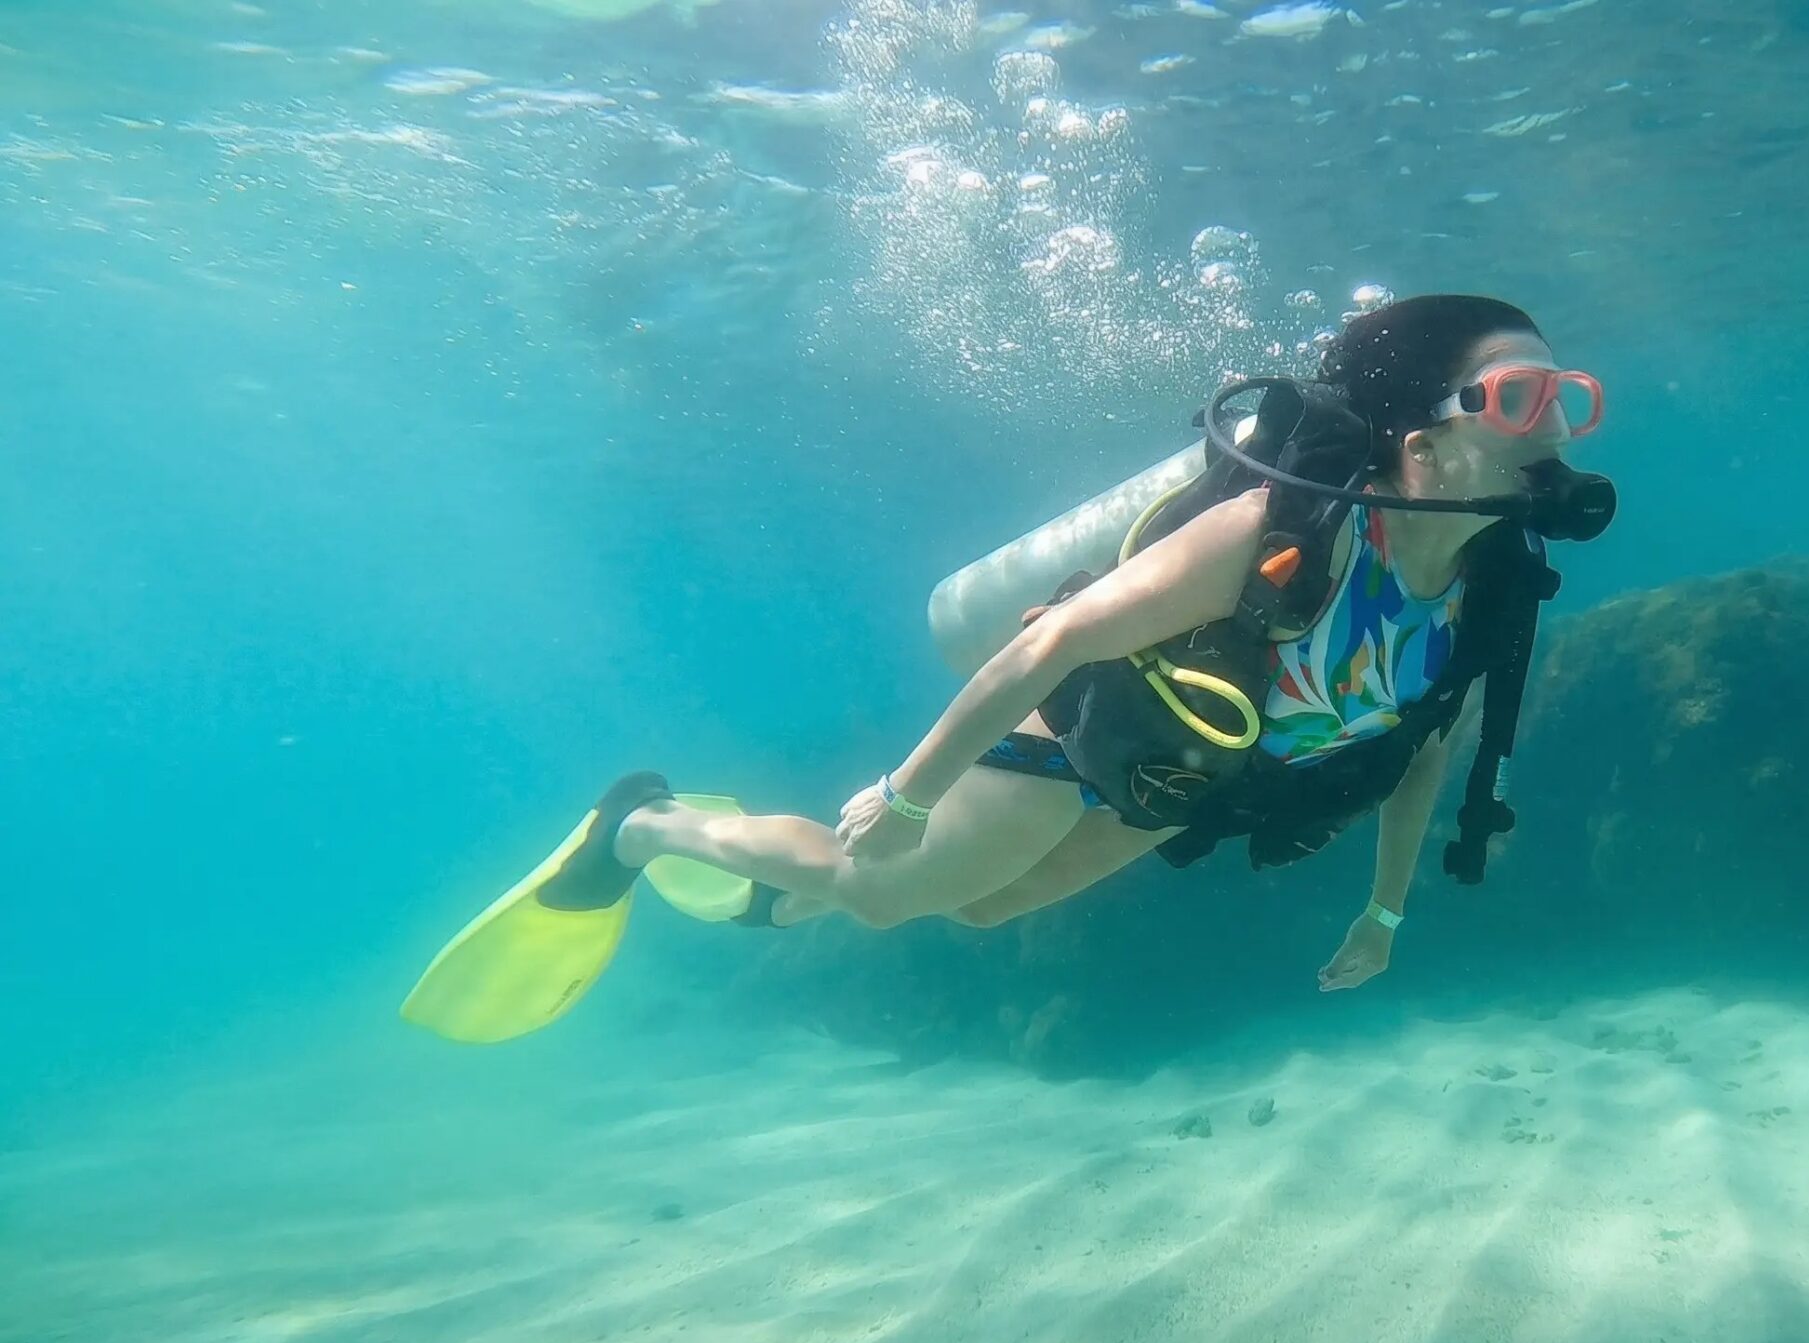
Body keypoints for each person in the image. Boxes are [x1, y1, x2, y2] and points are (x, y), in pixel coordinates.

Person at [399, 296, 1612, 1043]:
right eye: (1517, 396)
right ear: (1421, 443)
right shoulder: (1285, 540)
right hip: (1081, 731)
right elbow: (1052, 639)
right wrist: (913, 792)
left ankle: (776, 886)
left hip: (1178, 780)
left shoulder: (1494, 584)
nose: (1554, 423)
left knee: (977, 910)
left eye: (1568, 395)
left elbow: (1425, 746)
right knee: (879, 891)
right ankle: (643, 828)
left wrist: (1386, 907)